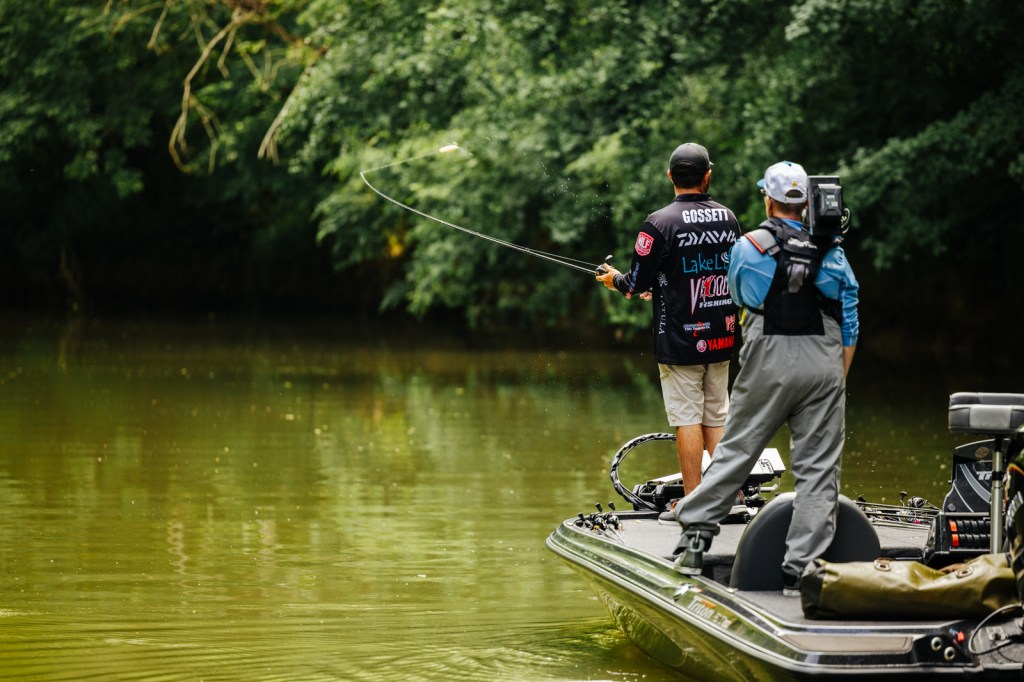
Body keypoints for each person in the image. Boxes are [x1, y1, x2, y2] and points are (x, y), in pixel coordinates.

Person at [671, 160, 859, 596]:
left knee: (737, 450)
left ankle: (695, 540)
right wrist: (836, 380)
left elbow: (740, 298)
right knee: (818, 470)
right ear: (808, 203)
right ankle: (799, 572)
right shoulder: (834, 254)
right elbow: (850, 323)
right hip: (825, 366)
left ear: (768, 201)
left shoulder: (748, 246)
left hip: (767, 360)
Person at [596, 143, 741, 513]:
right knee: (717, 416)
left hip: (681, 339)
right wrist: (657, 287)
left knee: (687, 418)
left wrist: (614, 280)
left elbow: (635, 282)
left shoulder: (658, 223)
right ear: (708, 176)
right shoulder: (729, 218)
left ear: (669, 176)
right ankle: (731, 496)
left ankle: (694, 501)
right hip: (721, 333)